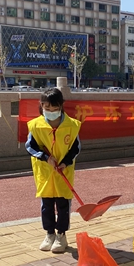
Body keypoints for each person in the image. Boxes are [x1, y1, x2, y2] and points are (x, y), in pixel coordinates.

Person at [25, 87, 81, 254]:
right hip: (46, 172)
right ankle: (49, 234)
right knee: (47, 205)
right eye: (46, 108)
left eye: (53, 108)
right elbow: (30, 146)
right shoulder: (35, 125)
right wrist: (45, 157)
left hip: (63, 172)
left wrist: (65, 162)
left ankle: (61, 235)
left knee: (63, 205)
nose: (49, 111)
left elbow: (75, 148)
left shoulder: (72, 125)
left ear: (61, 106)